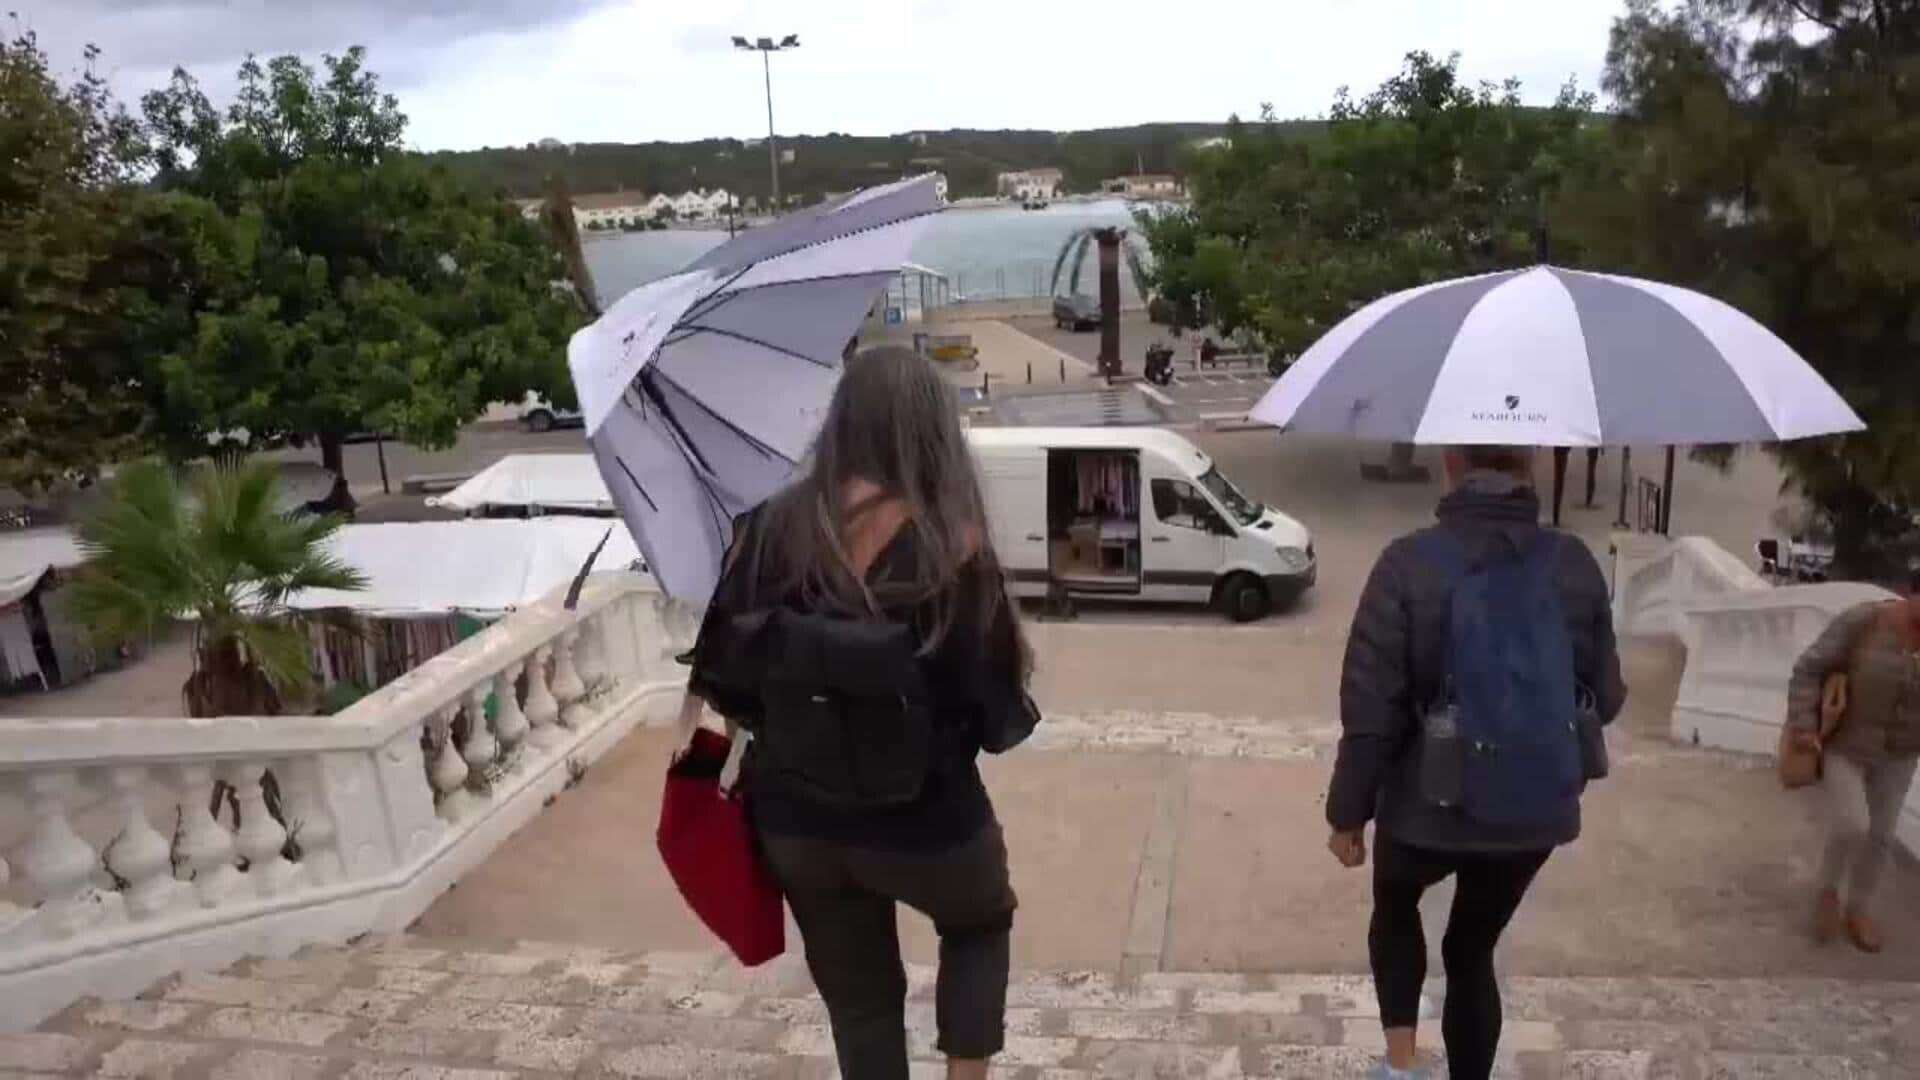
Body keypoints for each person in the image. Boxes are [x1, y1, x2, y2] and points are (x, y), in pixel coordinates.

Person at [688, 345, 1036, 1080]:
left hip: (800, 823)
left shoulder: (771, 528)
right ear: (933, 430)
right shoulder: (954, 543)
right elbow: (996, 714)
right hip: (929, 819)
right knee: (979, 924)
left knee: (861, 1006)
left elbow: (726, 680)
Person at [1325, 445, 1625, 1080]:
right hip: (1531, 814)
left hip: (1421, 811)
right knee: (1471, 949)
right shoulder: (1572, 564)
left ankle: (1402, 1067)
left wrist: (1347, 814)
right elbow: (1611, 696)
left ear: (1450, 464)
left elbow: (1372, 710)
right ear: (1533, 467)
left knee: (1397, 912)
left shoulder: (1405, 565)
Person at [1787, 568, 1920, 954]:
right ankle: (1827, 893)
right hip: (1847, 745)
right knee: (1851, 825)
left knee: (1880, 836)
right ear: (1908, 592)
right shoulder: (1865, 621)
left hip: (1901, 754)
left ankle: (1859, 909)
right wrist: (1804, 723)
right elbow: (1808, 668)